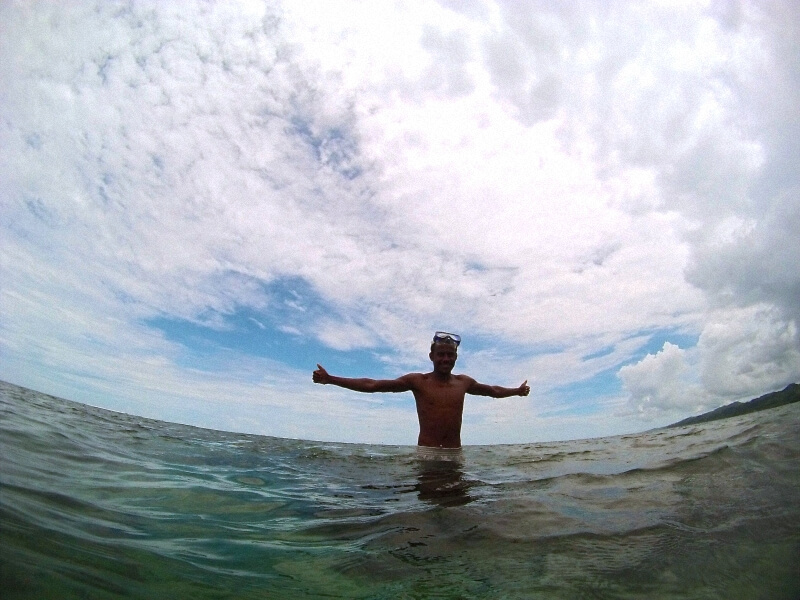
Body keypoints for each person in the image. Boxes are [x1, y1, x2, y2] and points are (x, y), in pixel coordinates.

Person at [312, 332, 530, 448]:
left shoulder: (464, 382)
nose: (445, 358)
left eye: (450, 355)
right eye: (441, 354)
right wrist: (331, 379)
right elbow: (373, 385)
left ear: (455, 358)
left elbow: (492, 390)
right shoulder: (418, 381)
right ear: (432, 357)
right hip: (427, 454)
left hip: (455, 454)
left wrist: (517, 391)